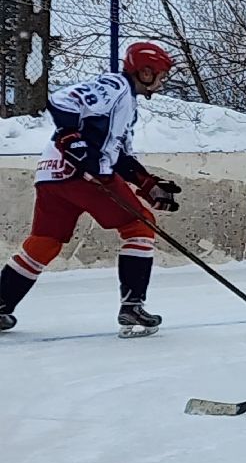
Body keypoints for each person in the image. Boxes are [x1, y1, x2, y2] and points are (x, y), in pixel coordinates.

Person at [0, 42, 180, 337]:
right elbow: (62, 100)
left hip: (52, 175)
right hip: (82, 176)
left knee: (44, 241)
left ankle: (1, 304)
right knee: (140, 227)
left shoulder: (126, 105)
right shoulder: (115, 85)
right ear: (145, 72)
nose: (162, 81)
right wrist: (73, 140)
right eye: (160, 74)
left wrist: (147, 184)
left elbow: (116, 154)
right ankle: (132, 305)